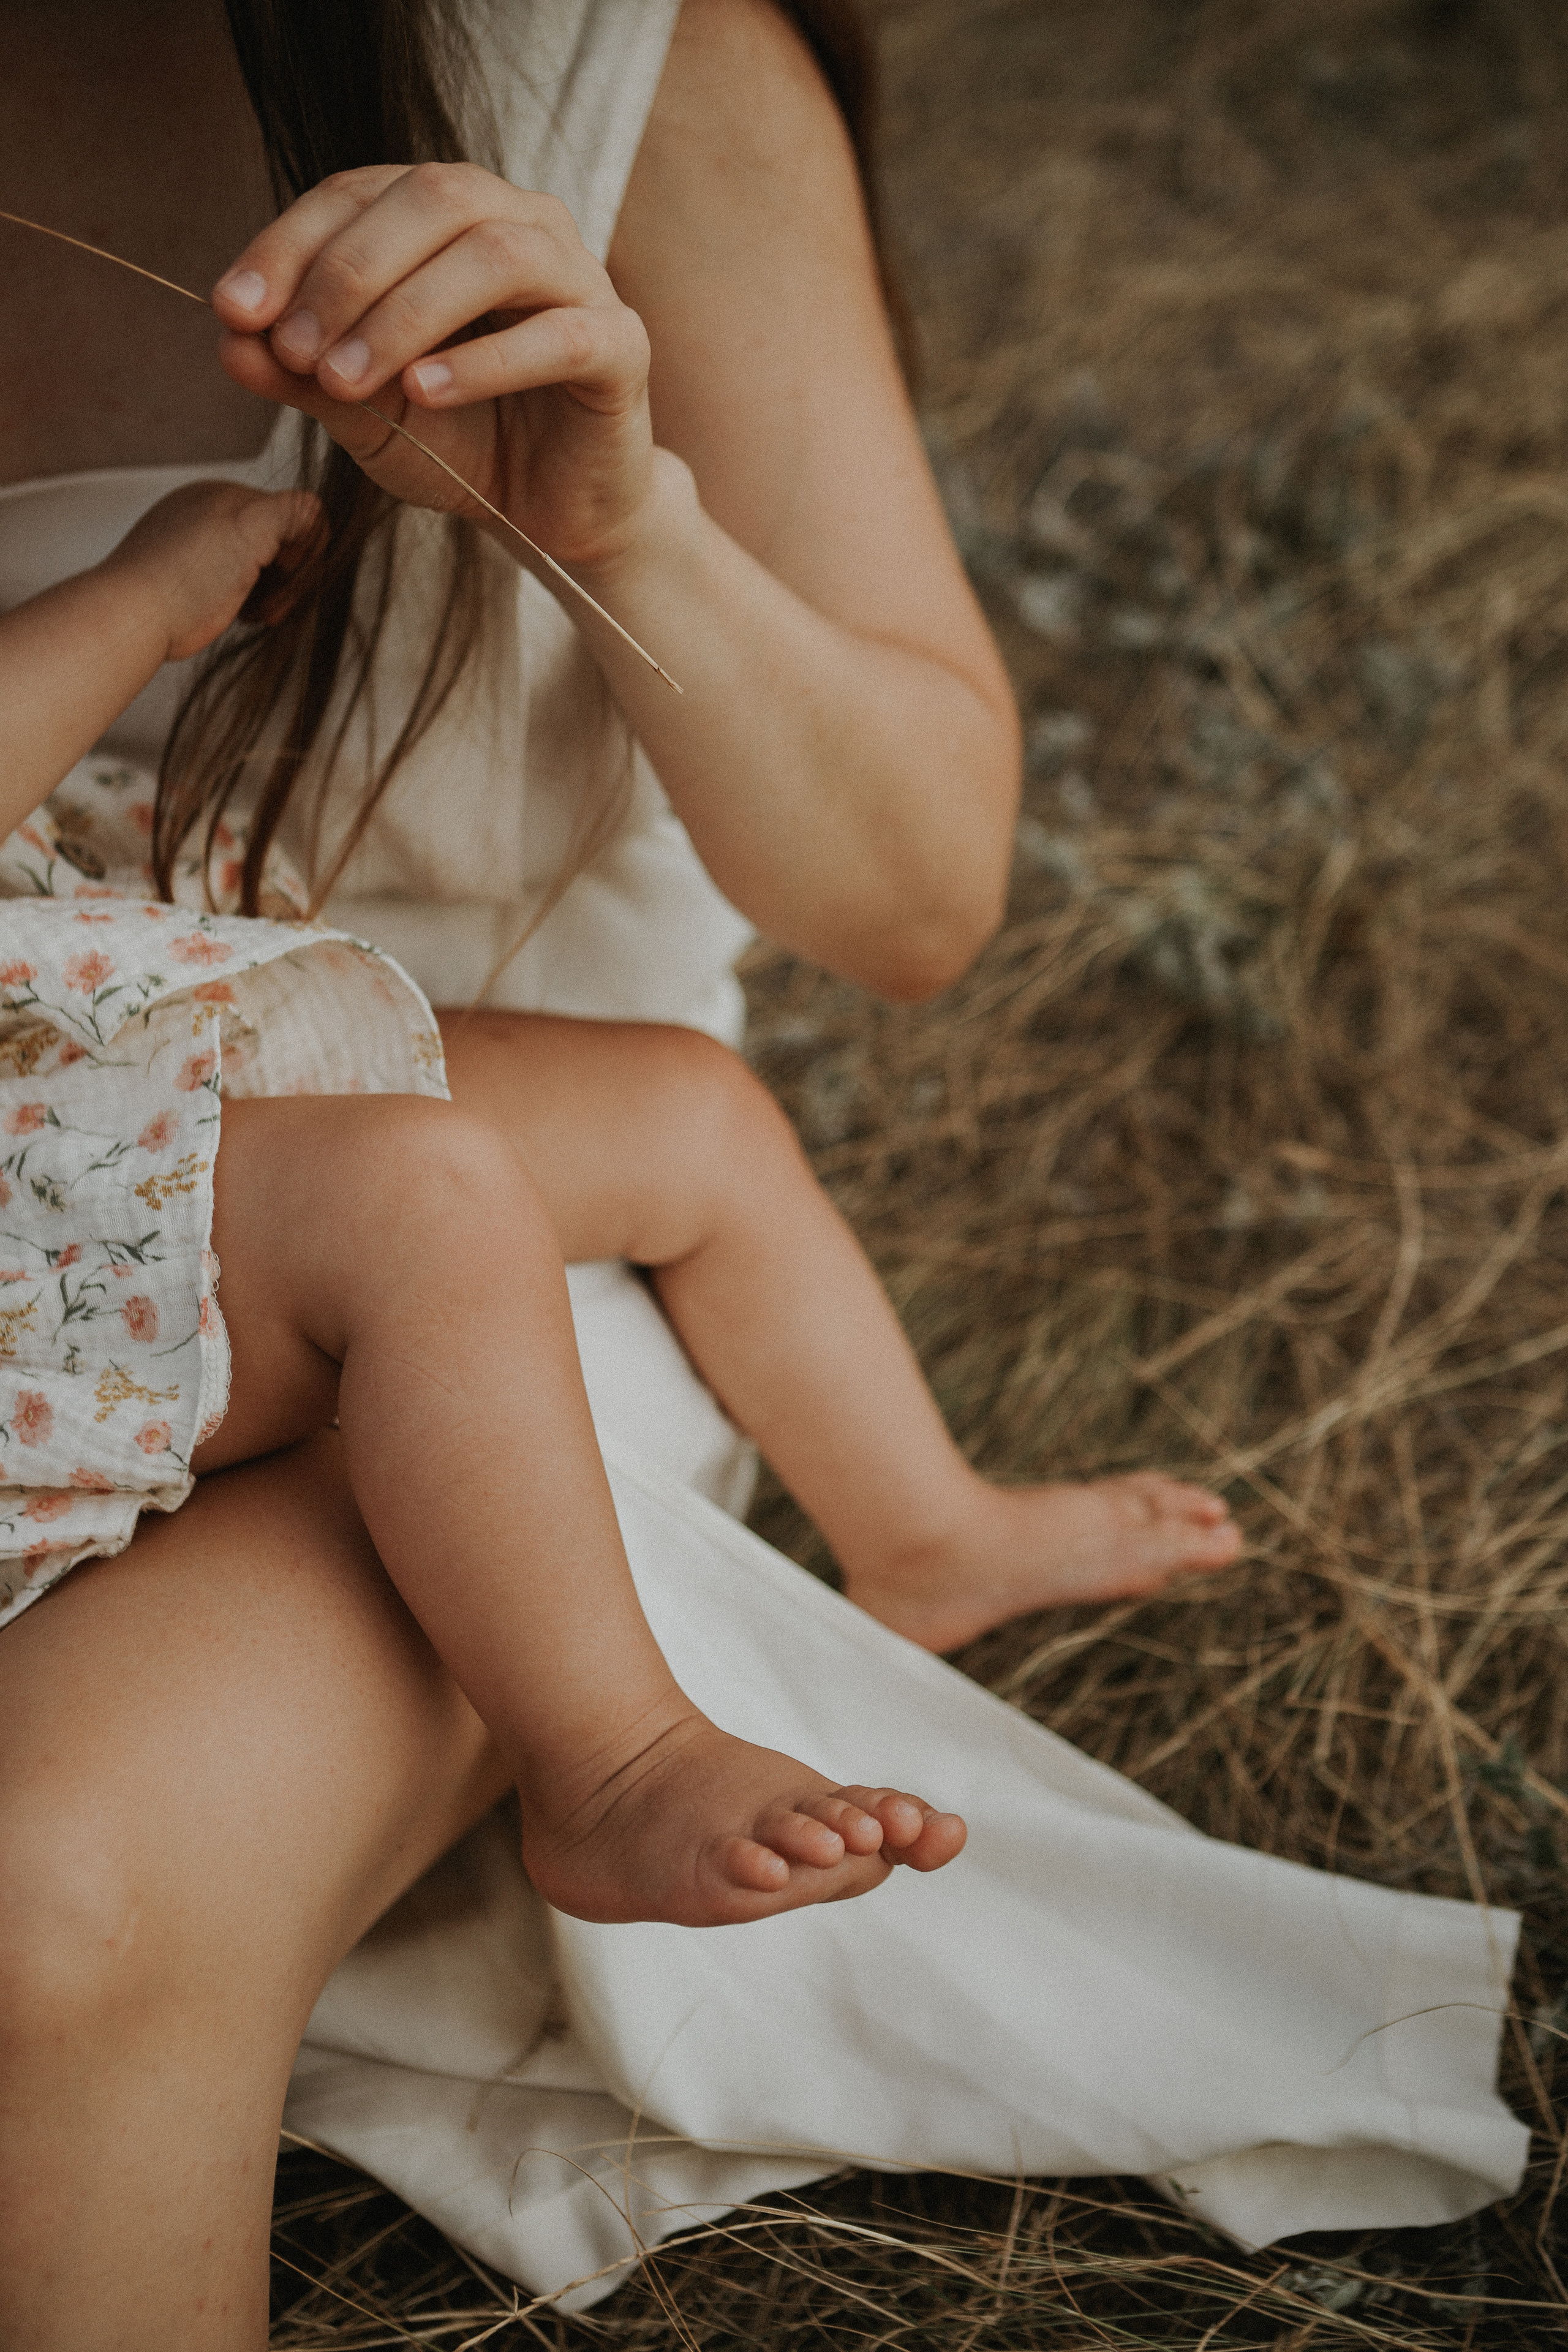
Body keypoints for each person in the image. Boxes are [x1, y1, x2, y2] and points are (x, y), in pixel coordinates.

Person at [9, 6, 1523, 2346]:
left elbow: (919, 905)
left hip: (375, 1144)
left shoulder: (641, 71)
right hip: (75, 1121)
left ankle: (871, 1561)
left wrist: (621, 522)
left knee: (43, 1906)